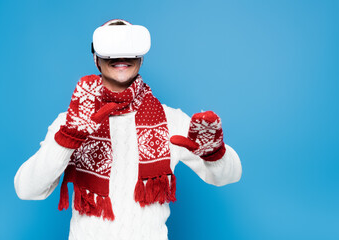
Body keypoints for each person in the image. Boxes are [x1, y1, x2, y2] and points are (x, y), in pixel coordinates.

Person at [14, 19, 242, 240]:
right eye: (111, 48)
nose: (121, 56)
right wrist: (67, 139)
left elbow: (228, 177)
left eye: (129, 48)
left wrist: (215, 154)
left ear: (141, 58)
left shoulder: (171, 120)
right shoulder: (72, 122)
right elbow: (26, 189)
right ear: (96, 59)